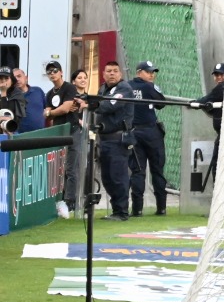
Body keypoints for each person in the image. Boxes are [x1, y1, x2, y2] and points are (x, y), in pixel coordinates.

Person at [93, 60, 137, 221]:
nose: (112, 74)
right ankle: (115, 209)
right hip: (104, 139)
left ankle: (122, 212)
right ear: (104, 74)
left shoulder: (124, 88)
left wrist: (91, 103)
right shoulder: (103, 88)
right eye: (108, 71)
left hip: (118, 139)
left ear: (120, 74)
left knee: (118, 176)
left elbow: (109, 106)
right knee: (107, 178)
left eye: (115, 71)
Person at [125, 60, 170, 217]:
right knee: (157, 170)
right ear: (139, 72)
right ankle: (161, 208)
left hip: (134, 132)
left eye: (152, 72)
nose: (152, 75)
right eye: (148, 71)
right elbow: (161, 103)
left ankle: (137, 209)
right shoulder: (149, 87)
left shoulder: (127, 86)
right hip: (151, 132)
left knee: (137, 171)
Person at [43, 62, 86, 218]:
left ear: (61, 72)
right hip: (58, 132)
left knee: (71, 168)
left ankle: (71, 202)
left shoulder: (69, 88)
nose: (52, 74)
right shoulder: (49, 94)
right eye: (49, 72)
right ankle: (60, 201)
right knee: (58, 168)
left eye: (55, 71)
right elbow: (47, 112)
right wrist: (53, 112)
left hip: (72, 131)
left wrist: (52, 112)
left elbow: (66, 108)